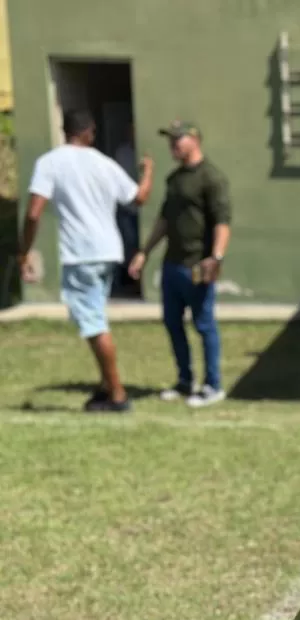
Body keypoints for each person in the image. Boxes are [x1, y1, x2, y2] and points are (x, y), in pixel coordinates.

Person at [17, 109, 153, 412]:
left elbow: (33, 212)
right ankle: (105, 386)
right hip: (108, 251)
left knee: (93, 324)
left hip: (81, 255)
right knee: (95, 316)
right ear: (90, 132)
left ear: (66, 131)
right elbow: (138, 198)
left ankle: (117, 395)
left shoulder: (50, 163)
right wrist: (148, 172)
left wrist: (24, 250)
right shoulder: (105, 164)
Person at [128, 120, 232, 407]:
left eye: (178, 139)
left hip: (197, 264)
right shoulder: (174, 179)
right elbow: (164, 219)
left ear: (195, 140)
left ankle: (213, 386)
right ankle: (185, 381)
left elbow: (223, 222)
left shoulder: (212, 178)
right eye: (170, 140)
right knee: (173, 323)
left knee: (204, 324)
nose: (172, 145)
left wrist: (216, 257)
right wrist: (144, 252)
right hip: (172, 265)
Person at [113, 122, 142, 297]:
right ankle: (131, 285)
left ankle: (139, 285)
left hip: (140, 208)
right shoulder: (122, 153)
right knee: (129, 247)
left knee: (140, 247)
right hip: (126, 209)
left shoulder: (144, 153)